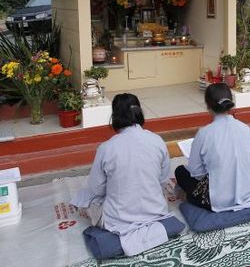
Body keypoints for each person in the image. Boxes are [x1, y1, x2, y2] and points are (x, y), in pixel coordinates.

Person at [70, 93, 182, 256]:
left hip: (117, 219)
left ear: (115, 116)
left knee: (86, 196)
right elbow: (163, 181)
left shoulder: (106, 148)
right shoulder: (157, 140)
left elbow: (96, 189)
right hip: (155, 211)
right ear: (139, 112)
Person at [175, 83, 250, 213]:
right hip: (248, 191)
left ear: (208, 105)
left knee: (180, 171)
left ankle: (188, 198)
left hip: (218, 199)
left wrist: (216, 173)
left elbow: (196, 172)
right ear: (230, 102)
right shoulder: (244, 128)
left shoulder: (204, 133)